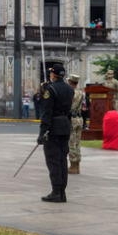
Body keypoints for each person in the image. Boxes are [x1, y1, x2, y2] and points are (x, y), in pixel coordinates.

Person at [38, 64, 74, 203]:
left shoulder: (50, 89)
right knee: (62, 160)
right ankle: (62, 192)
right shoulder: (70, 89)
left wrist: (42, 133)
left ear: (53, 75)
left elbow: (46, 112)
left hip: (53, 127)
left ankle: (56, 192)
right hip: (65, 125)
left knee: (53, 161)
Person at [67, 74, 84, 175]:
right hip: (79, 118)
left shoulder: (71, 92)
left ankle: (73, 165)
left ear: (70, 82)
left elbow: (69, 106)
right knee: (77, 142)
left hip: (72, 119)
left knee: (72, 142)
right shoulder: (80, 92)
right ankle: (77, 165)